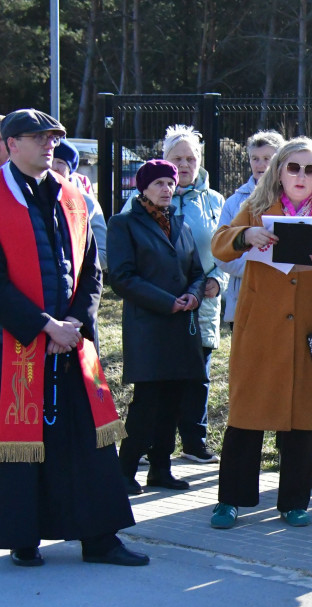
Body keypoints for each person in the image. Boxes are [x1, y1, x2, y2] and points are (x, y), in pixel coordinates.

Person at [0, 108, 147, 567]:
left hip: (71, 341)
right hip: (15, 343)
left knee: (90, 439)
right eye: (38, 137)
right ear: (10, 144)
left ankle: (100, 539)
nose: (50, 144)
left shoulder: (74, 197)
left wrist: (74, 326)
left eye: (54, 136)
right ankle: (24, 538)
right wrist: (44, 326)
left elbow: (91, 270)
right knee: (21, 441)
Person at [209, 137, 312, 529]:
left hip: (309, 336)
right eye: (293, 167)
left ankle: (294, 501)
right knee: (246, 419)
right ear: (279, 171)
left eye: (311, 169)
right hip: (259, 332)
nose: (301, 175)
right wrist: (246, 237)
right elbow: (219, 244)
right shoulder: (258, 209)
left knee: (303, 423)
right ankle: (231, 500)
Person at [107, 160, 206, 495]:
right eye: (159, 183)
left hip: (181, 327)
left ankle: (160, 470)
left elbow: (197, 272)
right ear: (143, 188)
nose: (167, 189)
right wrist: (168, 301)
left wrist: (193, 296)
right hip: (149, 327)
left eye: (171, 183)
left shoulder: (182, 226)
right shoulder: (124, 224)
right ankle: (125, 470)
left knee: (174, 401)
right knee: (147, 402)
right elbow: (121, 277)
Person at [159, 125, 227, 464]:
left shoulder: (215, 201)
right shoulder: (144, 199)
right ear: (164, 159)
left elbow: (226, 251)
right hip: (161, 303)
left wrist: (218, 282)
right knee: (162, 375)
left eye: (190, 158)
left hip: (203, 302)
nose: (184, 165)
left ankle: (194, 441)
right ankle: (155, 442)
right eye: (177, 158)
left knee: (198, 373)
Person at [219, 130, 286, 327]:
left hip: (284, 302)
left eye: (267, 158)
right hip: (245, 301)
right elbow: (221, 254)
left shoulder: (295, 198)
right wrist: (259, 265)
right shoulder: (234, 203)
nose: (260, 165)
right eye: (255, 158)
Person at [53, 139, 108, 270]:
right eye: (50, 160)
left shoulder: (87, 203)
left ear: (70, 169)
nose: (53, 167)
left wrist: (67, 261)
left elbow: (104, 255)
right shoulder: (29, 197)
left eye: (60, 162)